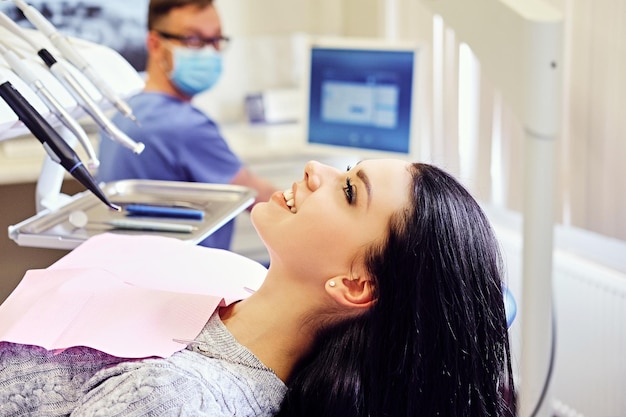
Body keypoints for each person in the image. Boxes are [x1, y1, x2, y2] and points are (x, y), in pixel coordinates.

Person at [0, 159, 516, 416]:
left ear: (355, 286)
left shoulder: (179, 400)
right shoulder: (237, 278)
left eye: (350, 191)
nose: (316, 170)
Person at [97, 0, 277, 250]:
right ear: (155, 44)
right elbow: (266, 205)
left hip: (138, 273)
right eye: (194, 40)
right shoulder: (184, 126)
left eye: (216, 40)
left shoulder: (124, 113)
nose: (208, 52)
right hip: (191, 281)